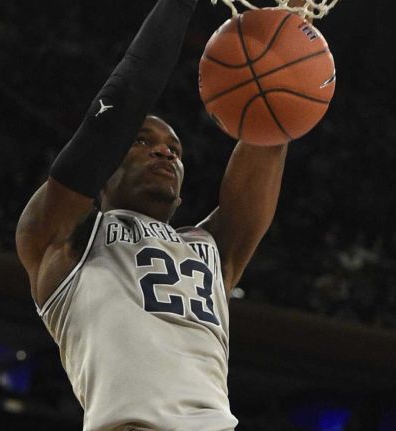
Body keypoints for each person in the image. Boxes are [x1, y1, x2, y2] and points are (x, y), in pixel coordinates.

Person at [15, 0, 290, 429]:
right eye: (142, 141)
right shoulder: (61, 237)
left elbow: (268, 131)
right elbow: (120, 104)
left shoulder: (210, 249)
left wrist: (285, 39)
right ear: (105, 167)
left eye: (175, 149)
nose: (164, 150)